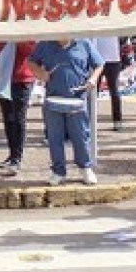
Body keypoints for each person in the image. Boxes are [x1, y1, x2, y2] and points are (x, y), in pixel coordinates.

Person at [27, 38, 103, 186]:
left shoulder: (84, 44)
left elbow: (99, 64)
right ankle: (58, 171)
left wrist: (93, 79)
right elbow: (31, 62)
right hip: (53, 98)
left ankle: (85, 168)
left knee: (81, 136)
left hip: (77, 99)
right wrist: (40, 73)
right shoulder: (44, 44)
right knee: (55, 138)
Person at [0, 40, 36, 175]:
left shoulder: (25, 28)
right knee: (8, 118)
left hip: (22, 79)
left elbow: (31, 51)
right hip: (3, 77)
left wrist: (17, 38)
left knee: (19, 118)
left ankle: (17, 158)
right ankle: (12, 154)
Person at [93, 37, 123, 130]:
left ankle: (117, 121)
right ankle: (117, 122)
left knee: (111, 91)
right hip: (111, 59)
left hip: (104, 58)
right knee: (113, 91)